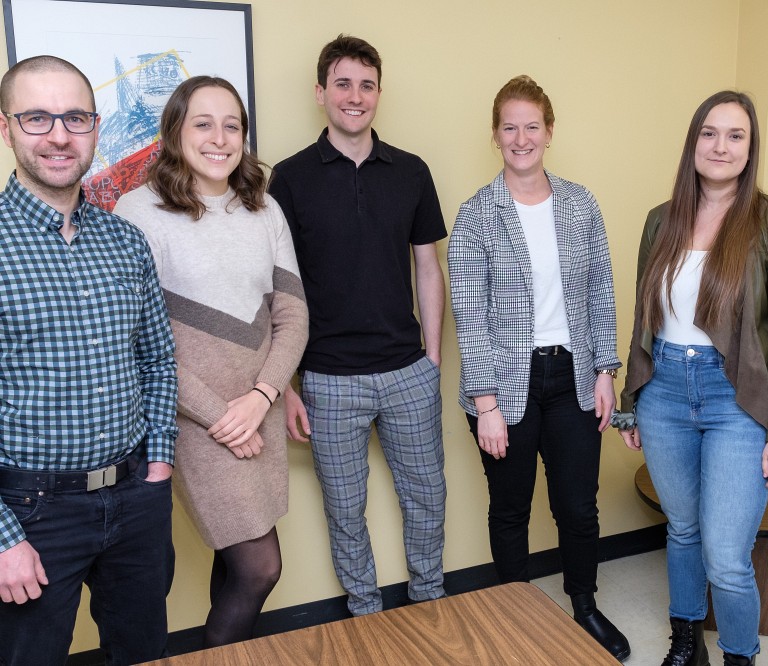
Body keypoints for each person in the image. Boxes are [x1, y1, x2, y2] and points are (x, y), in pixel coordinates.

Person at [617, 91, 768, 666]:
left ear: (751, 150)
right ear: (692, 142)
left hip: (738, 400)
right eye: (709, 132)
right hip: (665, 393)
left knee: (726, 556)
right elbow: (643, 317)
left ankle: (737, 657)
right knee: (681, 530)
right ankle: (685, 644)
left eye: (735, 135)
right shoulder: (662, 219)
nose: (720, 146)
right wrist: (633, 399)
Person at [114, 76, 308, 647]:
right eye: (203, 123)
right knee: (260, 567)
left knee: (235, 562)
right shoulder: (138, 212)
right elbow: (137, 343)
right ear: (175, 131)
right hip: (195, 420)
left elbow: (293, 317)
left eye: (232, 125)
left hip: (260, 407)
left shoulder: (263, 207)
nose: (220, 137)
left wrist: (263, 396)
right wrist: (221, 415)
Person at [0, 55, 178, 665]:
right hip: (30, 514)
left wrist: (158, 465)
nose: (58, 135)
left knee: (145, 652)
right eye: (37, 118)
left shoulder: (125, 240)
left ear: (96, 128)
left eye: (75, 117)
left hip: (135, 500)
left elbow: (157, 360)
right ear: (6, 128)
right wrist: (1, 539)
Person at [448, 75, 630, 662]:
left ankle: (583, 606)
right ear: (495, 135)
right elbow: (469, 317)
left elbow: (601, 289)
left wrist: (605, 369)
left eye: (532, 125)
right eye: (510, 127)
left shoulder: (580, 204)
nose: (521, 137)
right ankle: (513, 619)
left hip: (574, 378)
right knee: (511, 509)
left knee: (578, 506)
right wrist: (485, 405)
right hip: (505, 387)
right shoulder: (477, 213)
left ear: (549, 132)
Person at [267, 34, 447, 616]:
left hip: (407, 371)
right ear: (320, 92)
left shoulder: (412, 172)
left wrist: (434, 359)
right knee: (345, 511)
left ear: (379, 93)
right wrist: (289, 385)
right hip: (328, 379)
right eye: (342, 83)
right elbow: (280, 290)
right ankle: (365, 613)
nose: (355, 96)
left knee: (427, 499)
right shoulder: (289, 180)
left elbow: (428, 267)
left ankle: (430, 602)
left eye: (366, 85)